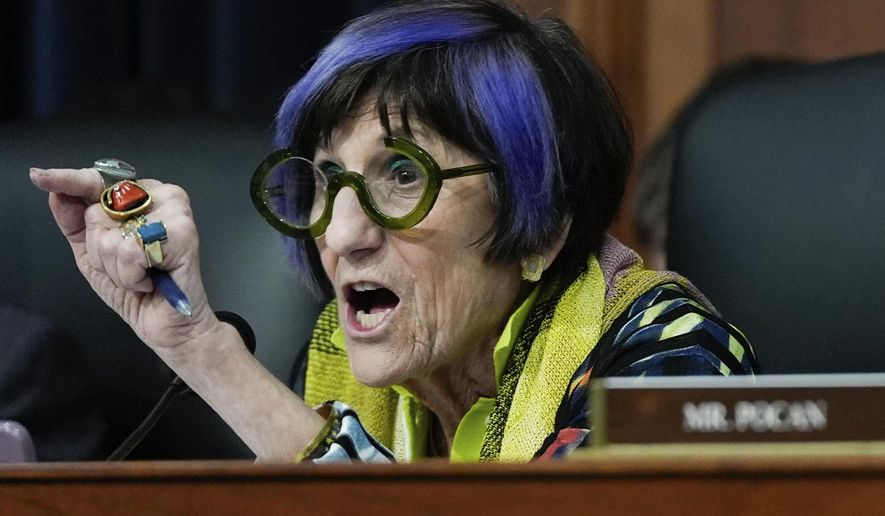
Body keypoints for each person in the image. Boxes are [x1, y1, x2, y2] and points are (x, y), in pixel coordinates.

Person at [29, 0, 757, 463]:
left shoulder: (669, 360)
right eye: (323, 178)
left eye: (402, 175)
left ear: (541, 225)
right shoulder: (334, 364)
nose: (342, 234)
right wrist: (192, 341)